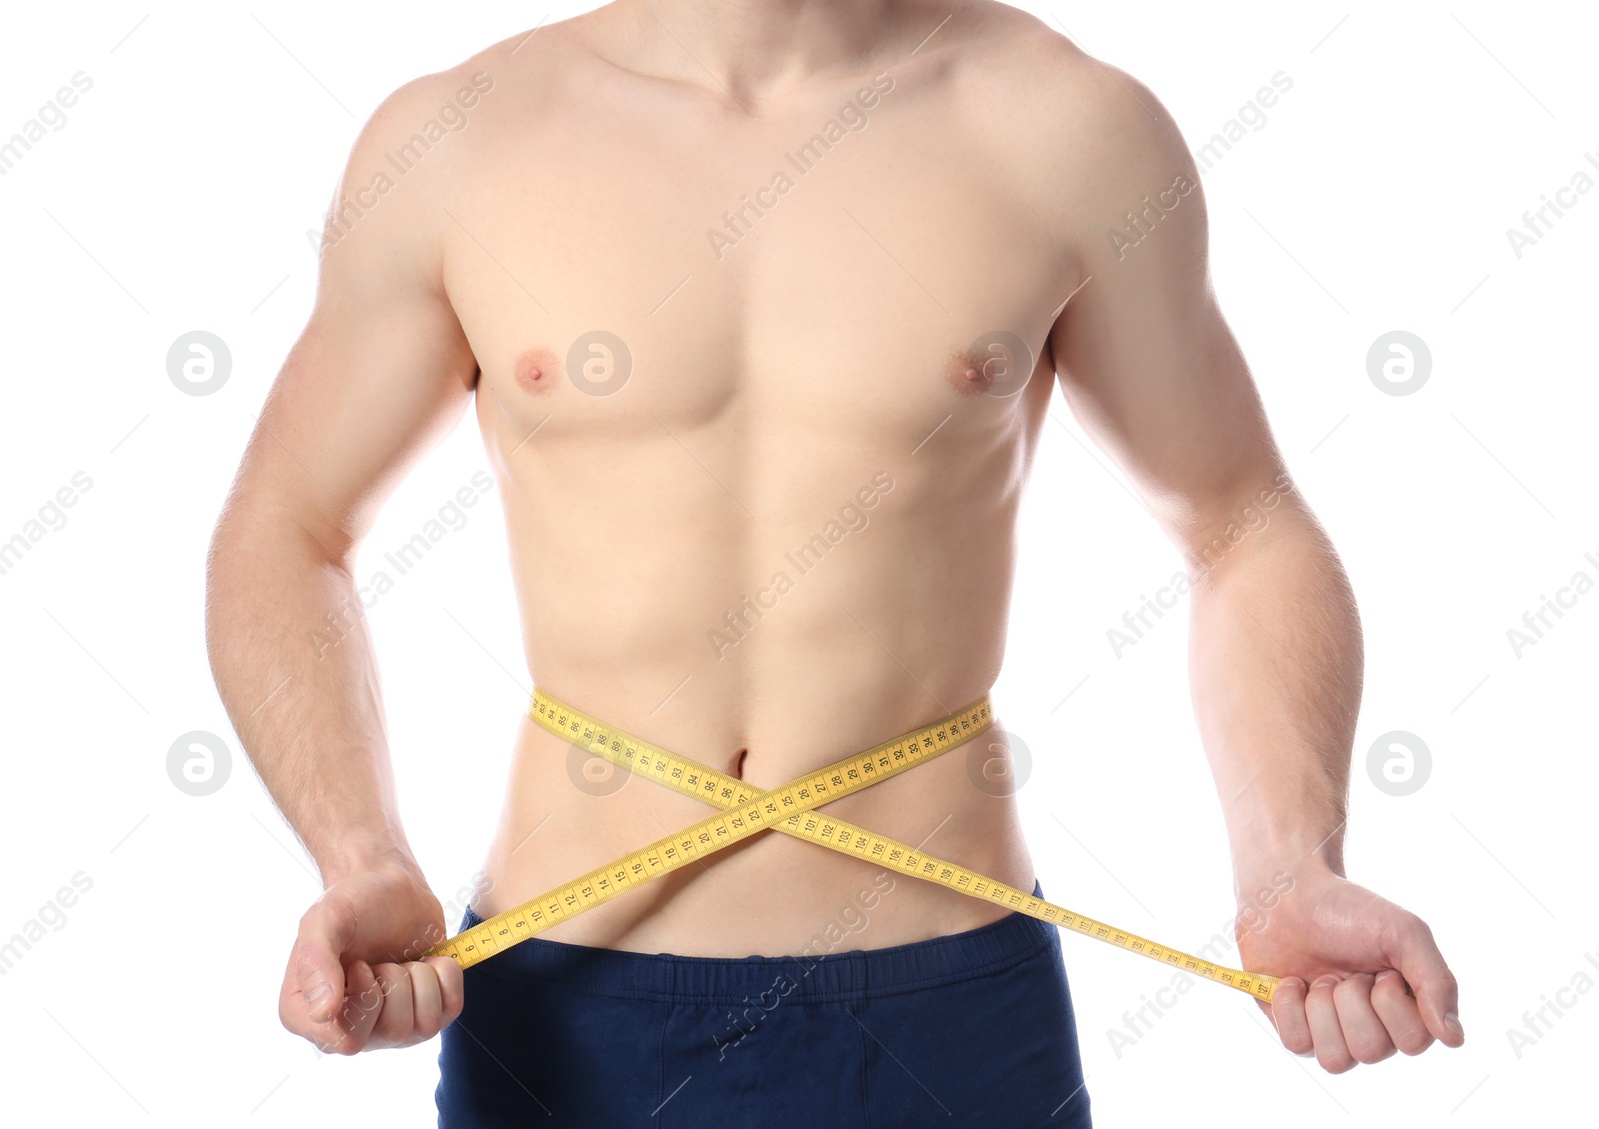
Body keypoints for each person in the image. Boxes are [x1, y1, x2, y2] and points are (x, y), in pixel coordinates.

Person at [205, 2, 1463, 1124]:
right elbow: (288, 525)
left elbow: (1240, 521)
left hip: (951, 998)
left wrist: (1292, 865)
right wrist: (358, 855)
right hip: (564, 1005)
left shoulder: (1065, 126)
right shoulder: (458, 142)